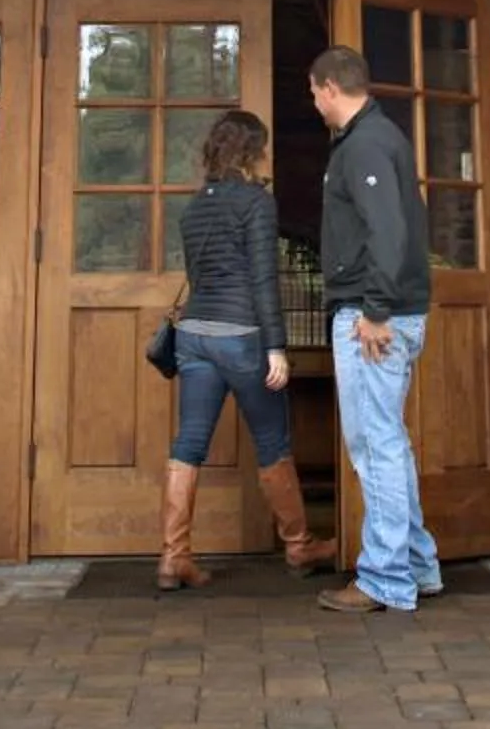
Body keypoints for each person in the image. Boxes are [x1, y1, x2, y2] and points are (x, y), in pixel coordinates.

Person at [157, 108, 333, 591]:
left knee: (189, 443)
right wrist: (276, 346)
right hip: (241, 338)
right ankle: (298, 546)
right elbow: (262, 279)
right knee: (273, 440)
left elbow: (202, 277)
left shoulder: (195, 207)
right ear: (252, 151)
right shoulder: (256, 202)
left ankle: (173, 557)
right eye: (264, 148)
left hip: (194, 336)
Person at [307, 44, 440, 614]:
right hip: (387, 309)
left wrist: (376, 309)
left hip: (372, 316)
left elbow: (387, 229)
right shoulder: (380, 138)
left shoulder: (364, 144)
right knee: (390, 441)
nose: (314, 104)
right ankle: (417, 565)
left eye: (314, 93)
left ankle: (385, 578)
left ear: (330, 88)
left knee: (375, 445)